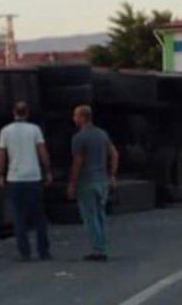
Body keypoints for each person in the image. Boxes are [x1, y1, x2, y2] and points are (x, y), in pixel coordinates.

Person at [0, 100, 53, 261]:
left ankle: (25, 252)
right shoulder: (35, 130)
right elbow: (43, 152)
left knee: (19, 217)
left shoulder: (5, 131)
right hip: (33, 177)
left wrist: (1, 175)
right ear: (27, 113)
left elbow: (2, 155)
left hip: (15, 178)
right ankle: (43, 251)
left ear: (13, 113)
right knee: (39, 216)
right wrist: (48, 171)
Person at [67, 104, 119, 262]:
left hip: (86, 181)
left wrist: (72, 183)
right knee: (100, 214)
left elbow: (78, 162)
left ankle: (98, 249)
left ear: (82, 117)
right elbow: (114, 154)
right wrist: (112, 174)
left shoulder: (78, 138)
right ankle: (101, 244)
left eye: (75, 115)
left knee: (90, 216)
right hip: (102, 180)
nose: (73, 118)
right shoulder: (102, 134)